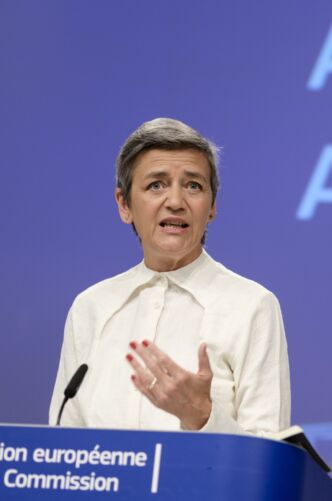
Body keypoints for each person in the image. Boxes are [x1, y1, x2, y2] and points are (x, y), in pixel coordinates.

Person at [48, 118, 290, 436]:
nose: (176, 202)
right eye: (156, 185)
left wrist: (202, 417)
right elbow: (63, 441)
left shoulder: (251, 306)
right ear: (124, 205)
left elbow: (269, 458)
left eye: (193, 186)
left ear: (213, 206)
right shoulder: (91, 306)